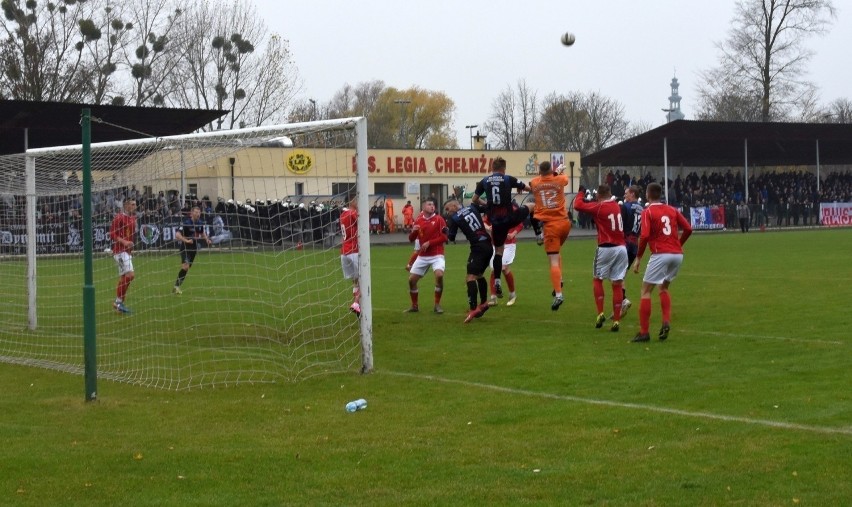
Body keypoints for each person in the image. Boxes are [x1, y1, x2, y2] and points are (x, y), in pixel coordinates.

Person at [631, 182, 693, 342]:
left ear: (647, 194)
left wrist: (638, 258)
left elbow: (644, 236)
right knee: (663, 287)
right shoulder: (672, 209)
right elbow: (688, 228)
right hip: (677, 255)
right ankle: (666, 321)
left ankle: (644, 332)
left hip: (660, 254)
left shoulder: (648, 211)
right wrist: (678, 244)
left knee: (645, 290)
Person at [471, 156, 535, 287]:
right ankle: (539, 232)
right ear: (503, 169)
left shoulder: (484, 181)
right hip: (510, 218)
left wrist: (488, 205)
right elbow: (530, 189)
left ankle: (497, 281)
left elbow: (474, 199)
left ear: (492, 168)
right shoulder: (508, 179)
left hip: (496, 222)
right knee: (532, 206)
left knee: (499, 251)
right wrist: (522, 187)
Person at [573, 183, 629, 331]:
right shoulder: (616, 205)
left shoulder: (599, 207)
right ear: (610, 193)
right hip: (622, 248)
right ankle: (616, 321)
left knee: (598, 279)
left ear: (598, 195)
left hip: (606, 247)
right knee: (617, 284)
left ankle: (600, 313)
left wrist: (581, 192)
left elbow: (577, 205)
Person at [528, 161, 572, 310]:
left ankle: (559, 294)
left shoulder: (535, 182)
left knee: (552, 259)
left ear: (540, 172)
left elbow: (535, 182)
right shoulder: (559, 179)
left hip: (551, 226)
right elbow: (563, 179)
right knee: (557, 252)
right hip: (565, 223)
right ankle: (559, 280)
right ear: (551, 170)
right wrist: (557, 172)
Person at [444, 200, 493, 323]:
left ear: (454, 206)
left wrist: (445, 231)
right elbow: (488, 208)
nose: (447, 212)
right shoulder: (473, 207)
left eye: (447, 209)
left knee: (470, 278)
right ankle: (484, 303)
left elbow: (451, 238)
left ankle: (473, 308)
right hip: (488, 244)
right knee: (479, 275)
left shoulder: (455, 218)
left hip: (478, 247)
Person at [405, 199, 448, 313]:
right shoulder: (418, 220)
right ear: (423, 207)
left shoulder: (439, 219)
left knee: (439, 275)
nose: (432, 206)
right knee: (411, 280)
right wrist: (413, 232)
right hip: (423, 256)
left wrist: (430, 243)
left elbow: (444, 237)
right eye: (429, 204)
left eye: (433, 204)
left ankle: (437, 305)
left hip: (437, 254)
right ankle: (414, 306)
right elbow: (411, 239)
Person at [485, 210, 523, 306]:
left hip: (508, 245)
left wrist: (513, 233)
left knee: (503, 267)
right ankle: (493, 298)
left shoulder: (512, 209)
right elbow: (484, 221)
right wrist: (488, 228)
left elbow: (520, 224)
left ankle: (512, 294)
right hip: (495, 245)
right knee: (494, 270)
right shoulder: (493, 208)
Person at [617, 185, 644, 317]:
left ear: (632, 194)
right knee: (621, 274)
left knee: (616, 274)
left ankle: (623, 301)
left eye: (626, 193)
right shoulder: (642, 208)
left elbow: (619, 225)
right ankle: (621, 305)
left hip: (625, 243)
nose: (624, 195)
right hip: (635, 245)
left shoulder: (625, 207)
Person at [172, 206, 212, 294]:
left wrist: (207, 239)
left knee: (187, 268)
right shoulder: (186, 223)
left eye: (199, 212)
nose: (198, 214)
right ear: (191, 213)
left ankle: (176, 286)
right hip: (185, 247)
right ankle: (176, 287)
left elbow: (202, 233)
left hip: (193, 249)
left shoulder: (200, 223)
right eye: (196, 212)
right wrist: (186, 240)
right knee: (185, 267)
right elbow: (177, 235)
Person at [109, 197, 137, 314]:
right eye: (132, 204)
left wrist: (130, 246)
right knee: (130, 275)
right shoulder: (119, 217)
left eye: (135, 204)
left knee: (124, 278)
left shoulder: (132, 218)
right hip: (120, 251)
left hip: (126, 251)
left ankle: (119, 304)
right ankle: (118, 302)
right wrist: (124, 242)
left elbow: (129, 235)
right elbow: (112, 234)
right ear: (126, 206)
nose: (134, 206)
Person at [339, 196, 361, 317]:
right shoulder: (353, 213)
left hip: (344, 252)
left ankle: (358, 308)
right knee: (364, 280)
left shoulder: (343, 214)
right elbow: (362, 225)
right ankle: (356, 303)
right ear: (353, 201)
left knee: (355, 282)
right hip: (354, 250)